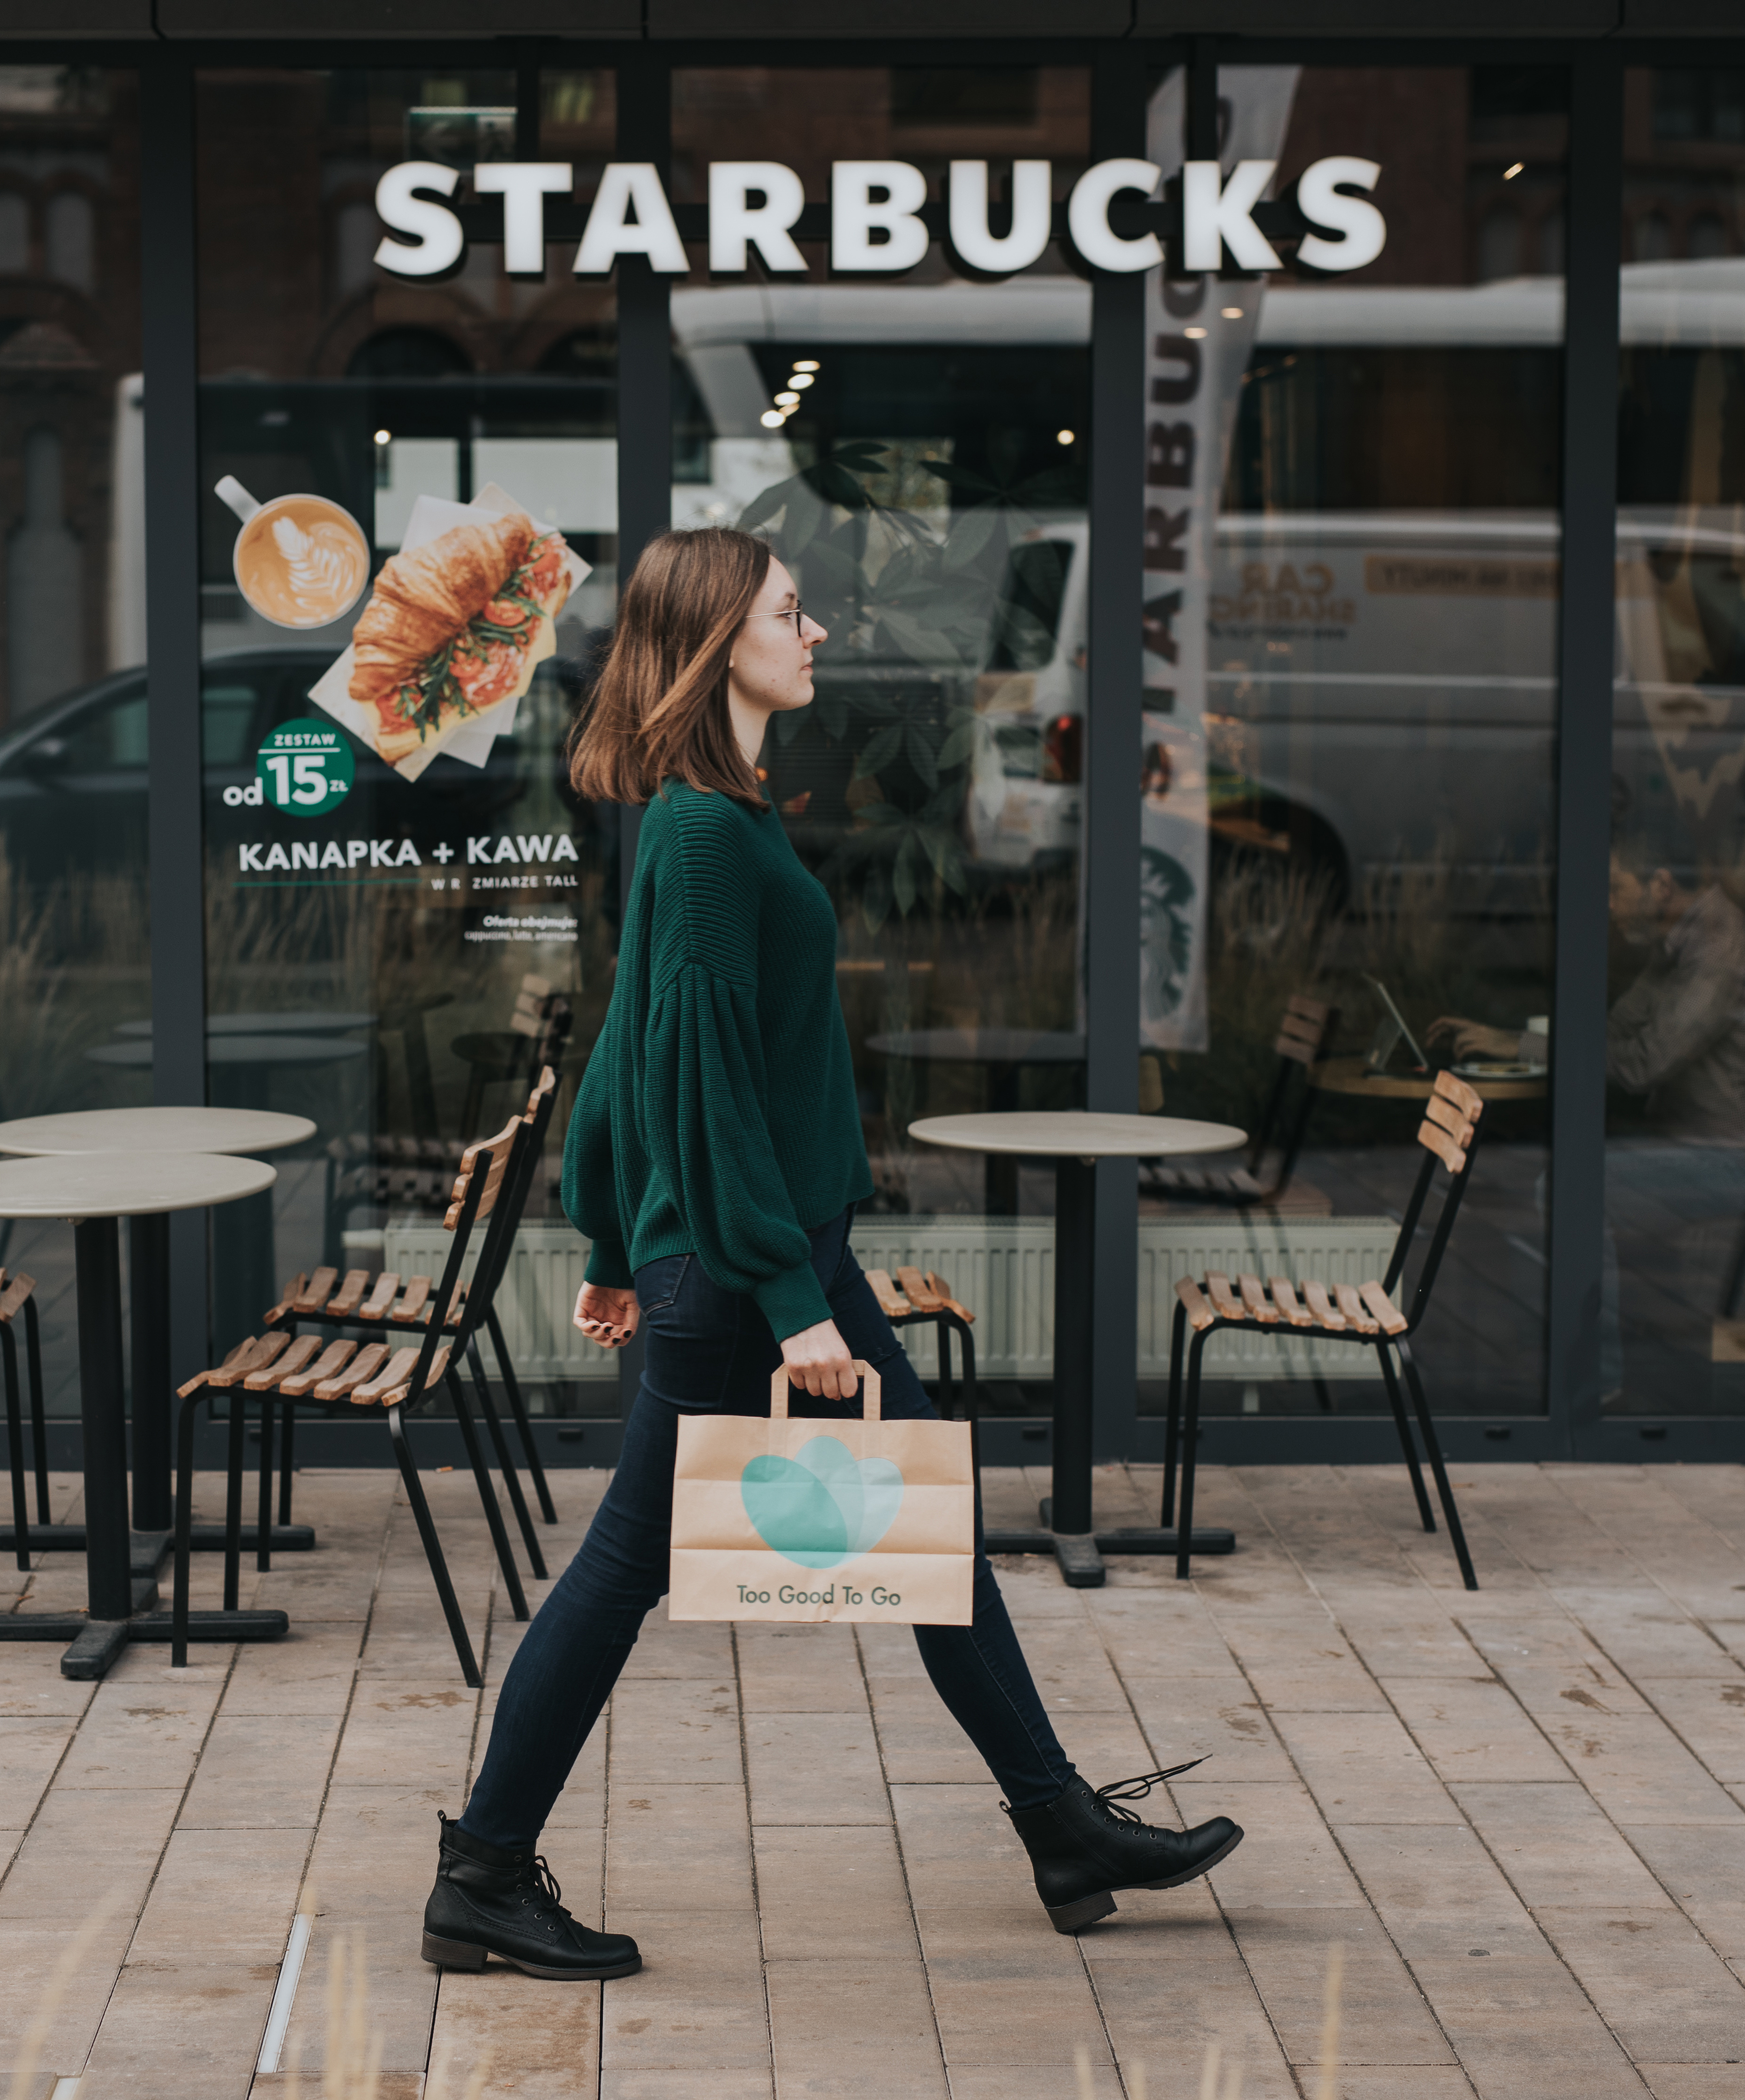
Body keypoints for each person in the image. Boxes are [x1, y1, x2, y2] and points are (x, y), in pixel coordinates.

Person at [419, 527, 1244, 1981]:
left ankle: (1057, 1819)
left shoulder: (717, 813)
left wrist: (614, 1231)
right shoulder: (698, 831)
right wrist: (788, 1301)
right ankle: (482, 1866)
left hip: (748, 1257)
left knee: (916, 1534)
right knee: (629, 1565)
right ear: (715, 637)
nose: (812, 637)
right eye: (788, 614)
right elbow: (704, 1075)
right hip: (755, 1272)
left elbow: (627, 1045)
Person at [1431, 840, 1745, 1139]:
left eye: (1616, 888)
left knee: (1549, 1177)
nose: (1607, 904)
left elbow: (1640, 1065)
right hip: (1673, 1139)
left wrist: (1521, 1049)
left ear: (1662, 886)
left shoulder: (1719, 950)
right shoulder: (1679, 937)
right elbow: (1615, 1031)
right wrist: (1506, 1040)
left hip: (1713, 1156)